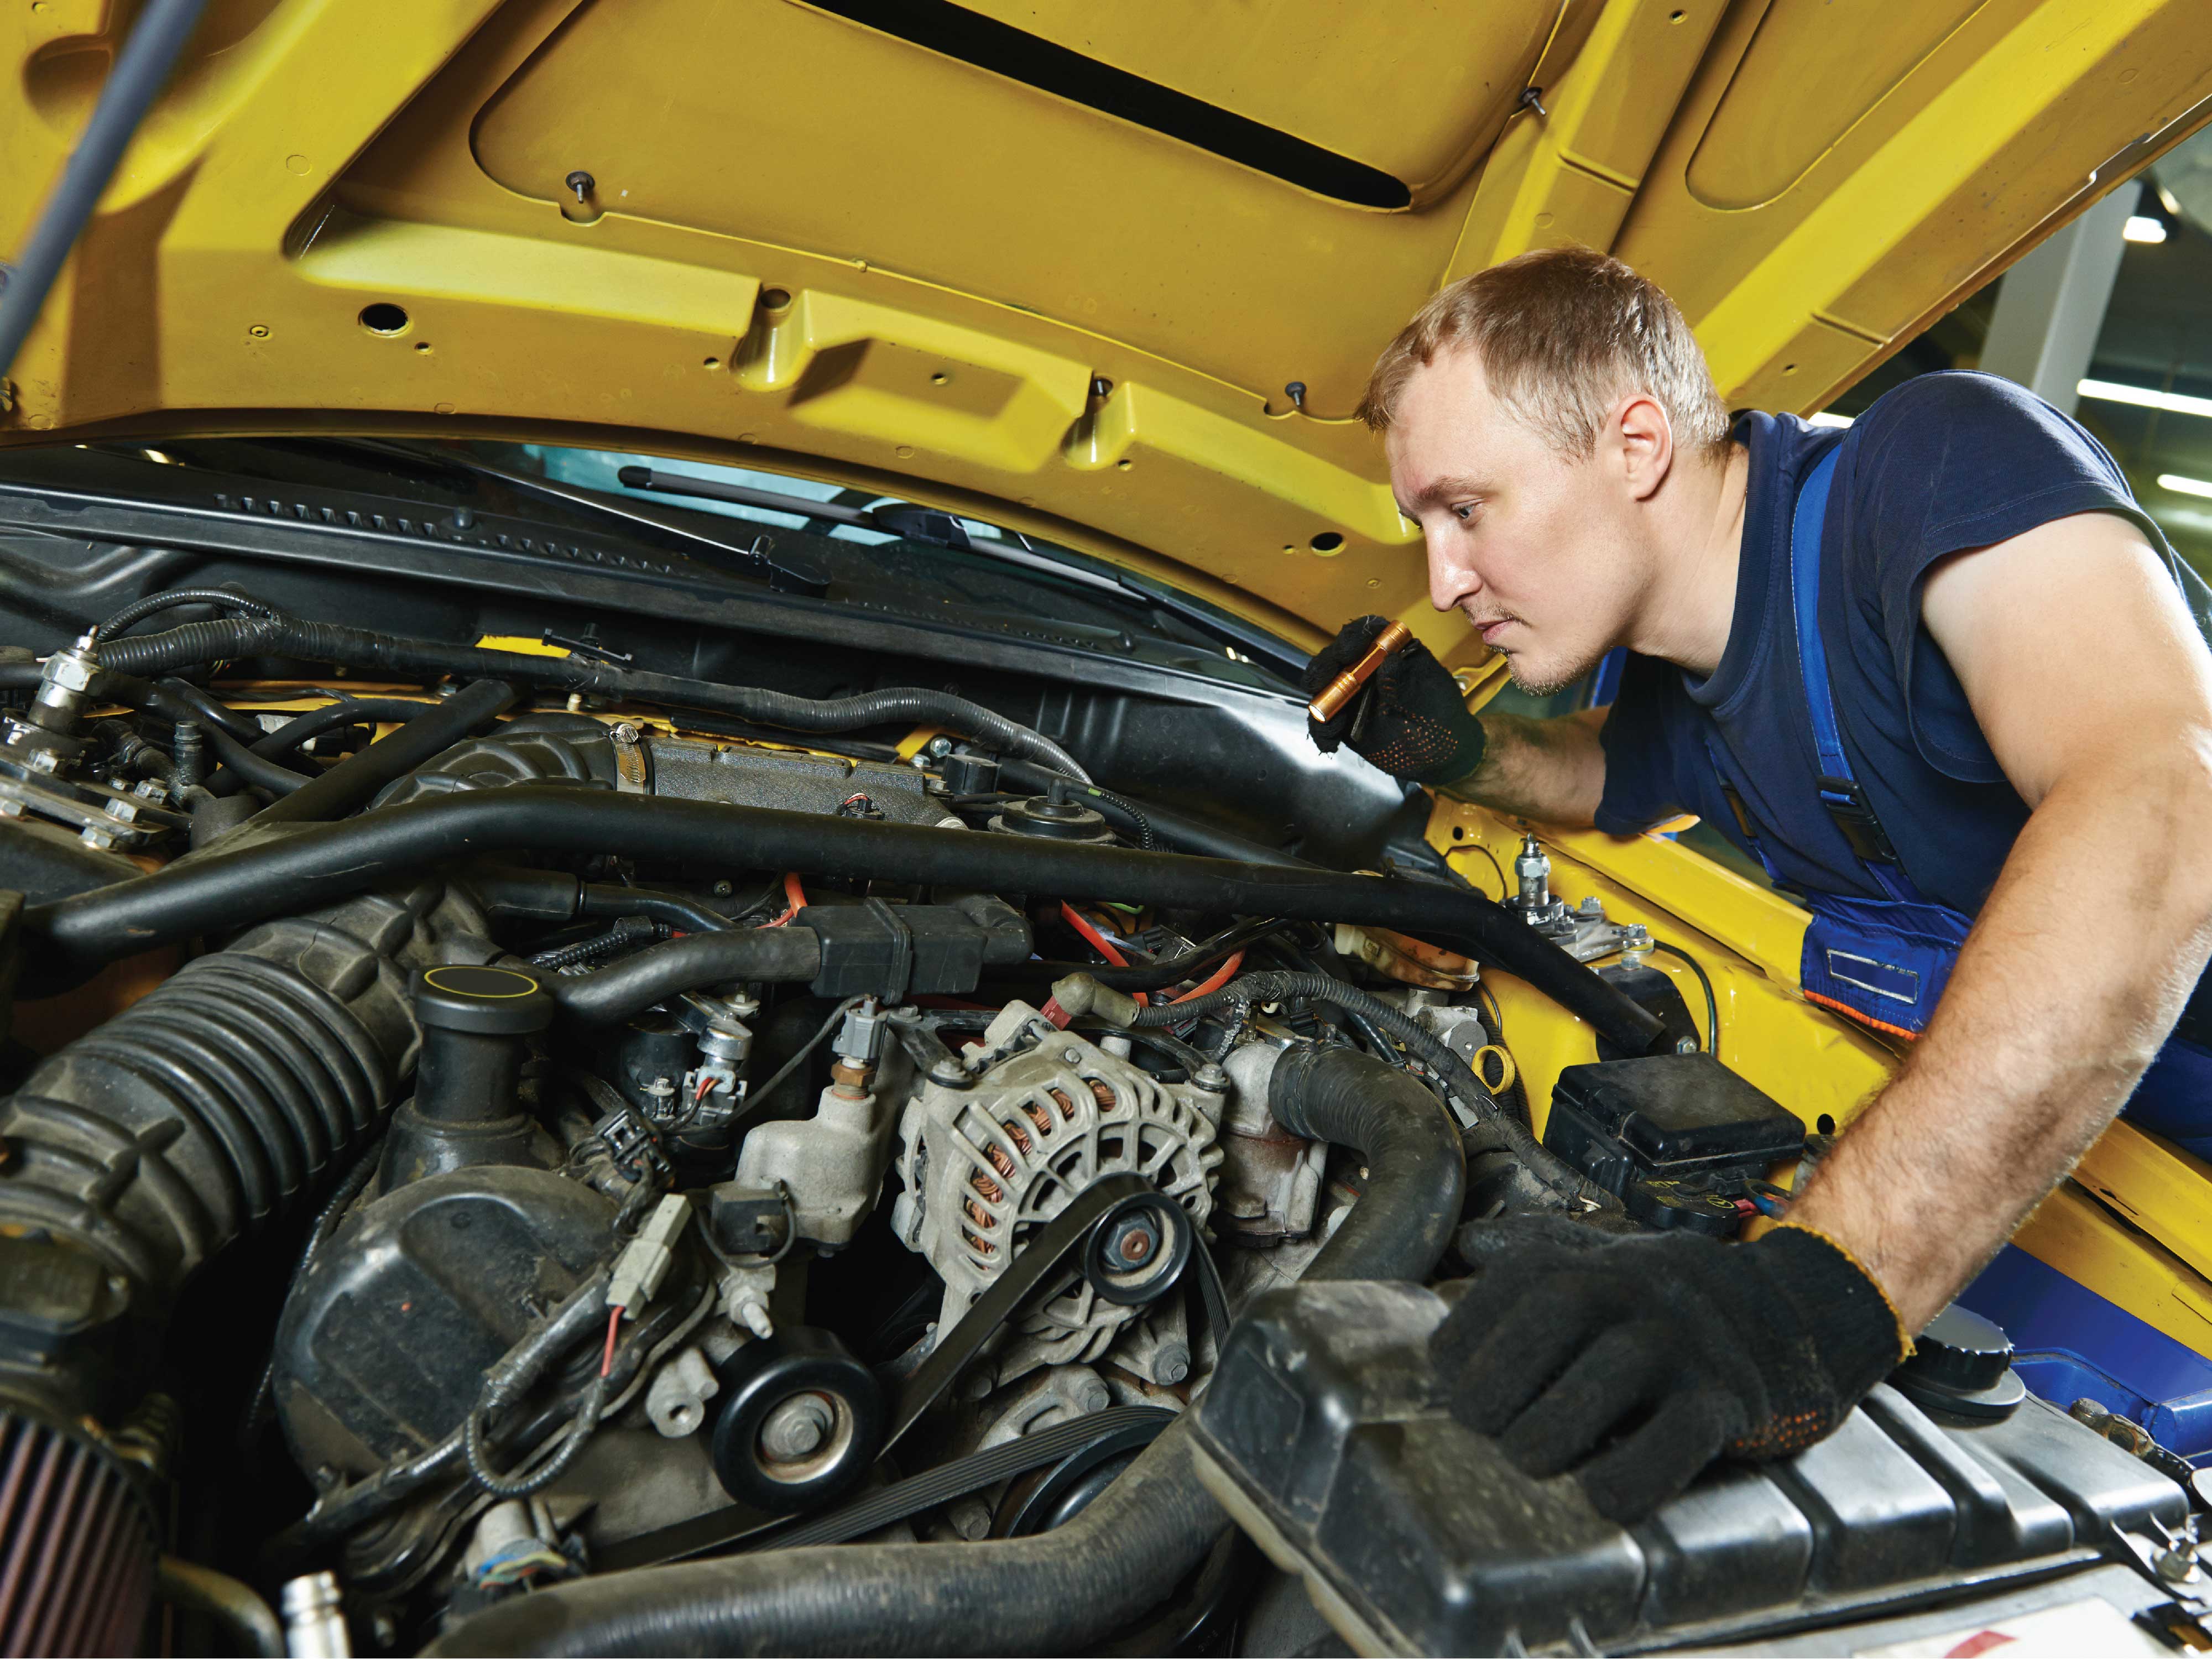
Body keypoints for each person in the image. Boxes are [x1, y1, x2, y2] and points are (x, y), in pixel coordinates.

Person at [1303, 246, 2212, 1525]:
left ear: (1632, 445)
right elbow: (1599, 781)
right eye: (1425, 529)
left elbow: (2163, 798)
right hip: (2106, 1135)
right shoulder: (1689, 672)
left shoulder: (1933, 464)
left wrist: (1813, 1289)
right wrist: (1459, 750)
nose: (1442, 580)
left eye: (1467, 510)